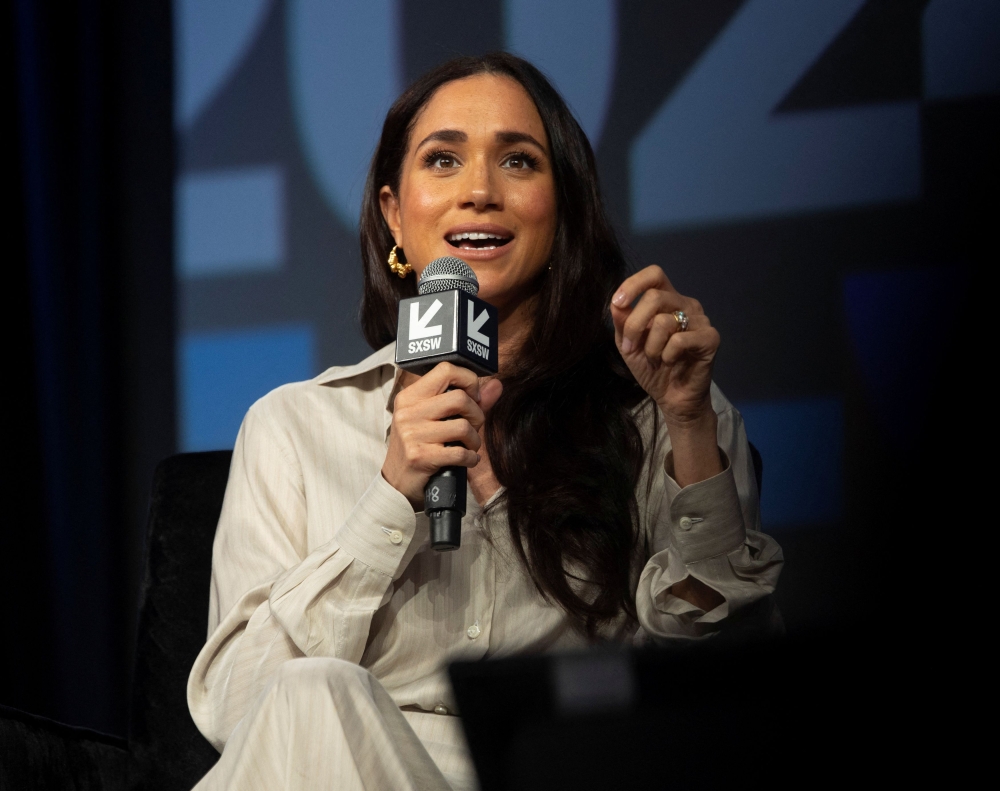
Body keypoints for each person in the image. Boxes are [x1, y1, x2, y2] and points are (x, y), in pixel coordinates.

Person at [187, 52, 783, 791]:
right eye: (443, 160)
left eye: (518, 161)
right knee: (313, 692)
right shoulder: (293, 426)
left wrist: (689, 422)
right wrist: (389, 496)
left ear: (562, 209)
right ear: (394, 213)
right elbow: (238, 710)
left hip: (559, 771)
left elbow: (724, 686)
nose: (478, 191)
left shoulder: (659, 412)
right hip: (347, 769)